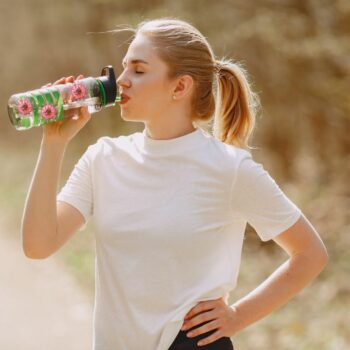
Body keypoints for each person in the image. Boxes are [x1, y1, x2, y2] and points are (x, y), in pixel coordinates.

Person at [21, 17, 329, 350]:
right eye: (123, 68)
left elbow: (310, 254)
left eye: (138, 70)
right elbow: (38, 245)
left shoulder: (230, 168)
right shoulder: (103, 158)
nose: (121, 81)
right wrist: (53, 144)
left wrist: (238, 315)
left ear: (179, 87)